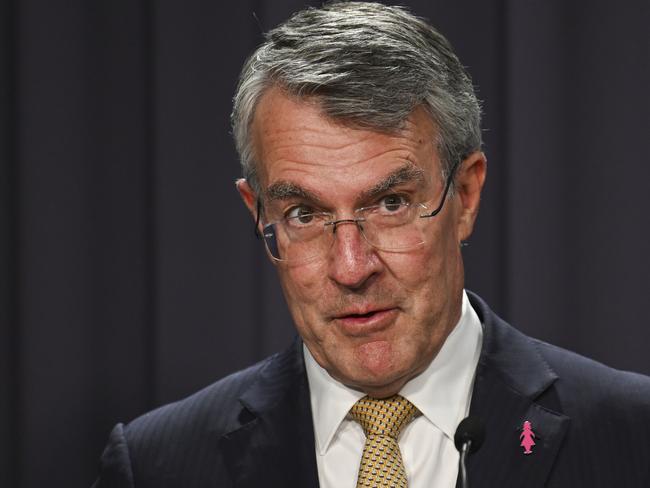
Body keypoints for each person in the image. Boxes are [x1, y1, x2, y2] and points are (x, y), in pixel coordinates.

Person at [92, 2, 650, 487]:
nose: (352, 268)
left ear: (467, 193)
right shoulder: (157, 466)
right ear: (257, 214)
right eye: (304, 214)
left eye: (390, 204)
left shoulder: (632, 438)